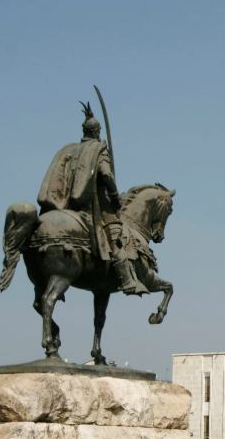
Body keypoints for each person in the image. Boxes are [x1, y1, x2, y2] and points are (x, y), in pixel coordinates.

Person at [37, 102, 148, 295]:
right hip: (95, 205)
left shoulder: (69, 149)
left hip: (66, 204)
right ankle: (128, 280)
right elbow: (106, 175)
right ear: (97, 131)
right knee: (116, 235)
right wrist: (115, 197)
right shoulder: (98, 149)